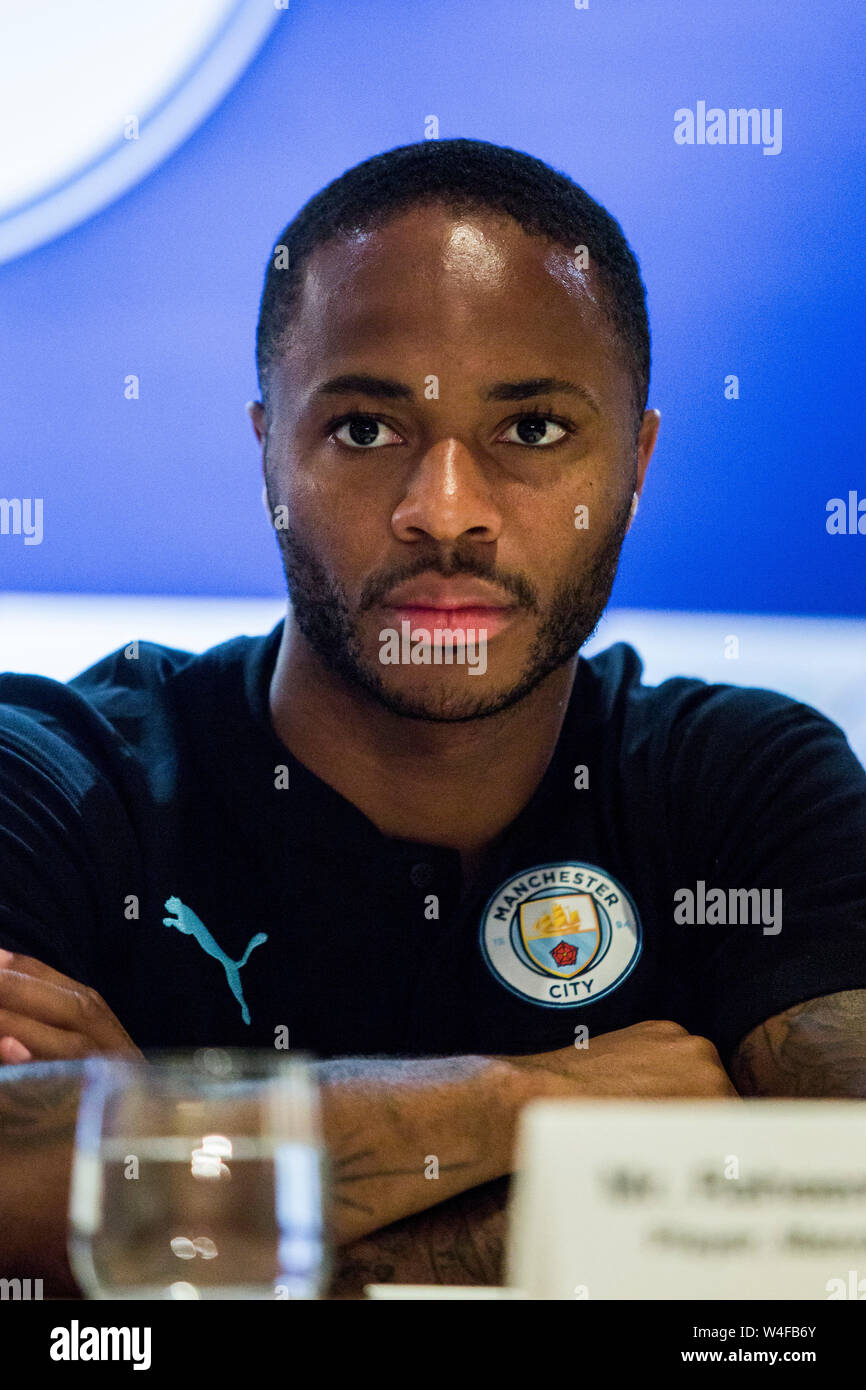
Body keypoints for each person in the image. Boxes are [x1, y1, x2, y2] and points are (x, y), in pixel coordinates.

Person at [1, 139, 865, 1296]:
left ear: (636, 462)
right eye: (364, 429)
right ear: (268, 452)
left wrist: (165, 1157)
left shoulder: (742, 782)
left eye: (533, 430)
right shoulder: (55, 775)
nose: (443, 512)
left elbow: (836, 1226)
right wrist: (528, 1098)